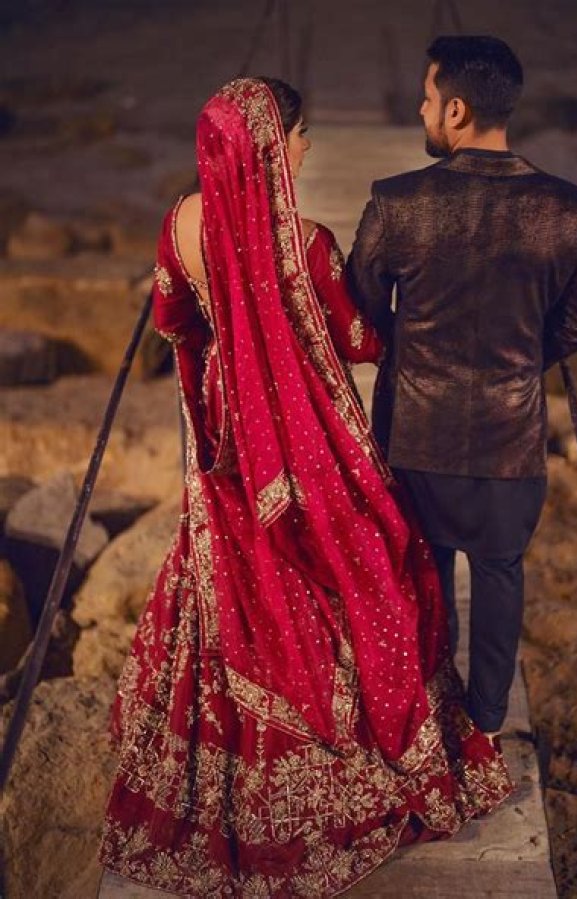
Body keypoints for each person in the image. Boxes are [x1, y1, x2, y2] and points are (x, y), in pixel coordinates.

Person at [98, 77, 513, 897]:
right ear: (266, 146)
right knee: (361, 558)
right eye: (298, 133)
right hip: (301, 432)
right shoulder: (307, 245)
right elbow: (359, 339)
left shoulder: (178, 227)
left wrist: (231, 348)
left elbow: (171, 319)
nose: (307, 145)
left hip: (229, 427)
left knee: (239, 560)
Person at [347, 36, 577, 744]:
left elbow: (361, 301)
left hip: (413, 432)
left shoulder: (398, 202)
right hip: (509, 438)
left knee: (422, 575)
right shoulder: (571, 209)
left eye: (428, 99)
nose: (422, 111)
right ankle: (486, 722)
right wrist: (515, 361)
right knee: (499, 573)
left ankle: (428, 711)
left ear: (456, 110)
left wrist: (409, 351)